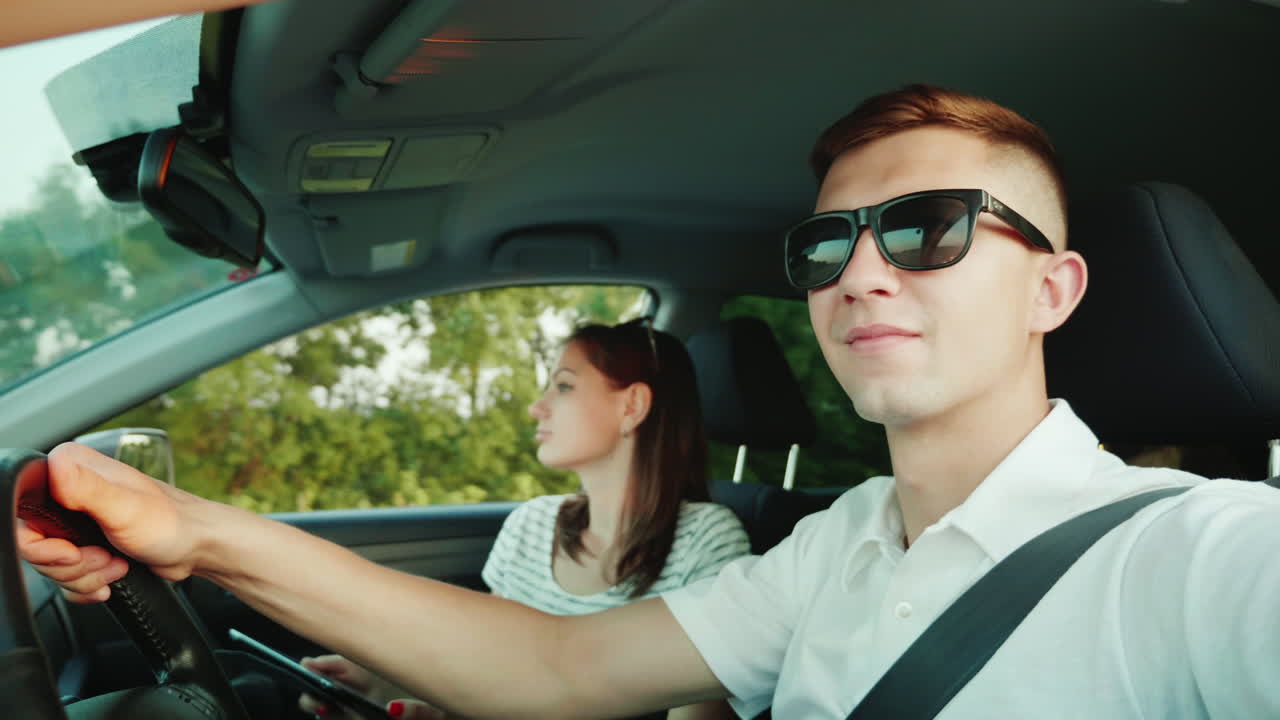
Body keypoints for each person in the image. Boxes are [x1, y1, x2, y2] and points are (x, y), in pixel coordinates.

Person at [19, 84, 1280, 718]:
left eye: (927, 228)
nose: (858, 274)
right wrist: (196, 534)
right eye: (824, 245)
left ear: (1052, 290)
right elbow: (558, 665)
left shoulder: (1207, 555)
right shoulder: (837, 545)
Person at [295, 321, 748, 719]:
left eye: (564, 386)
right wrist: (383, 684)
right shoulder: (532, 523)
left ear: (631, 405)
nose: (537, 407)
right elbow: (489, 672)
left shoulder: (708, 540)